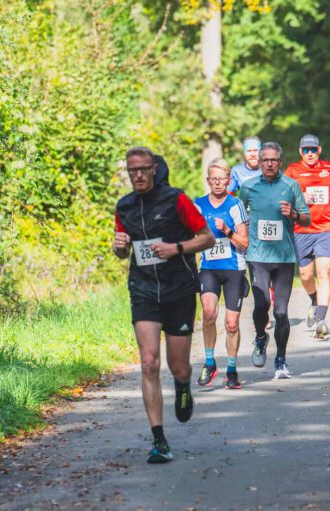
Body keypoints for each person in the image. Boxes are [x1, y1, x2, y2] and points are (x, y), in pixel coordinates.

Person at [113, 146, 215, 464]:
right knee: (148, 361)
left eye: (144, 169)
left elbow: (207, 238)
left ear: (154, 169)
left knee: (178, 365)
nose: (139, 175)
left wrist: (177, 248)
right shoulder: (124, 206)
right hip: (143, 290)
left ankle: (183, 385)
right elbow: (120, 251)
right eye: (133, 171)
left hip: (179, 289)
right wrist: (119, 246)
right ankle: (159, 440)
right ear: (128, 173)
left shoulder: (176, 199)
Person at [239, 142, 310, 379]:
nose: (269, 163)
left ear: (280, 162)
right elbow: (238, 215)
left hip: (284, 257)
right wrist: (243, 228)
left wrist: (293, 214)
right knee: (261, 306)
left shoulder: (291, 185)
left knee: (281, 312)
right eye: (265, 160)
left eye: (273, 160)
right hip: (258, 256)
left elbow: (307, 219)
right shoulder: (248, 187)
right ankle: (261, 337)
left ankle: (281, 360)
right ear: (259, 163)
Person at [194, 158, 250, 390]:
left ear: (229, 180)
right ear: (208, 180)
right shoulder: (198, 205)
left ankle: (232, 369)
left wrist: (227, 230)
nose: (218, 183)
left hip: (233, 268)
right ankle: (209, 363)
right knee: (208, 313)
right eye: (213, 179)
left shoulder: (235, 205)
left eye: (222, 179)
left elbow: (244, 243)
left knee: (232, 323)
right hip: (209, 268)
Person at [284, 134, 330, 338]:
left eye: (313, 149)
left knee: (324, 272)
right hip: (301, 230)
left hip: (325, 229)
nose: (310, 153)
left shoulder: (329, 169)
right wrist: (300, 197)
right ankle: (314, 300)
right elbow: (282, 196)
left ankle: (321, 320)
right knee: (306, 276)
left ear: (319, 150)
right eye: (306, 150)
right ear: (301, 151)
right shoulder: (292, 171)